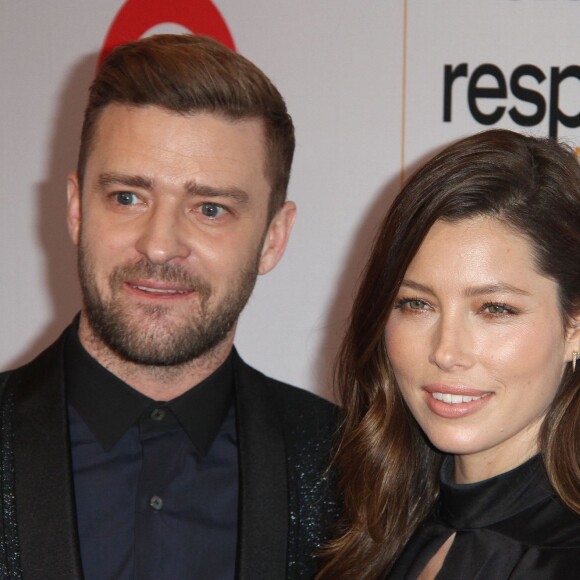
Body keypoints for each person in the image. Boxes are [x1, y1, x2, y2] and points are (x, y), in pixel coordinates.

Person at [0, 34, 337, 580]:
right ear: (76, 210)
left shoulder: (350, 475)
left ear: (273, 238)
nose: (159, 245)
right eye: (127, 197)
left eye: (210, 208)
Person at [317, 129, 580, 579]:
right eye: (416, 304)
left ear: (574, 327)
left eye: (495, 309)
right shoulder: (378, 527)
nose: (446, 351)